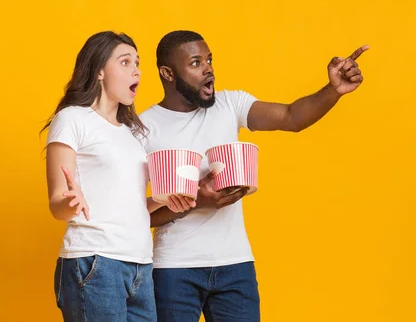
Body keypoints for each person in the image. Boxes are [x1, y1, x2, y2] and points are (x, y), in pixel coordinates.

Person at [139, 30, 368, 322]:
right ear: (168, 73)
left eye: (209, 60)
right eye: (196, 63)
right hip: (173, 268)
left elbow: (291, 117)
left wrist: (332, 89)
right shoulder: (143, 127)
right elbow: (133, 216)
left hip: (236, 267)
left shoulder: (230, 104)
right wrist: (195, 202)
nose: (208, 68)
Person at [42, 31, 193, 322]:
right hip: (96, 261)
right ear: (99, 71)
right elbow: (57, 203)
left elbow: (127, 204)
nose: (136, 70)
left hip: (139, 264)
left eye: (137, 63)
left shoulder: (132, 134)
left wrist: (162, 202)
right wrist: (71, 203)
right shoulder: (73, 118)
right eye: (125, 62)